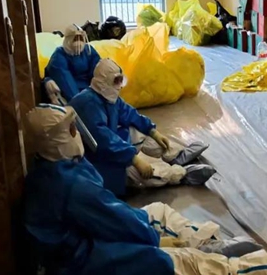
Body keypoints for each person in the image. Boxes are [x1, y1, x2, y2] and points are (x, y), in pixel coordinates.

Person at [23, 104, 267, 275]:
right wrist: (156, 241)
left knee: (157, 211)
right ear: (56, 137)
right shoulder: (68, 183)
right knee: (178, 264)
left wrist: (151, 233)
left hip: (87, 246)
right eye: (70, 129)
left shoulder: (56, 166)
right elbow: (114, 218)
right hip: (82, 268)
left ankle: (204, 243)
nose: (76, 133)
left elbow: (111, 213)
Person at [70, 58, 213, 197]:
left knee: (139, 129)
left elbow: (129, 113)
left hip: (109, 148)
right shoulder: (88, 104)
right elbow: (104, 140)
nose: (120, 86)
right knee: (145, 174)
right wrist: (134, 159)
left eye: (120, 80)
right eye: (116, 81)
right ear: (103, 82)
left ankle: (175, 155)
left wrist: (153, 132)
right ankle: (180, 175)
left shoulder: (105, 95)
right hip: (99, 163)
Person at [45, 24, 101, 101]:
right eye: (75, 39)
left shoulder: (89, 51)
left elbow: (98, 71)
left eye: (81, 38)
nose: (79, 42)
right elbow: (65, 81)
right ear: (68, 39)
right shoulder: (59, 55)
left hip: (89, 91)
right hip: (71, 94)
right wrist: (80, 102)